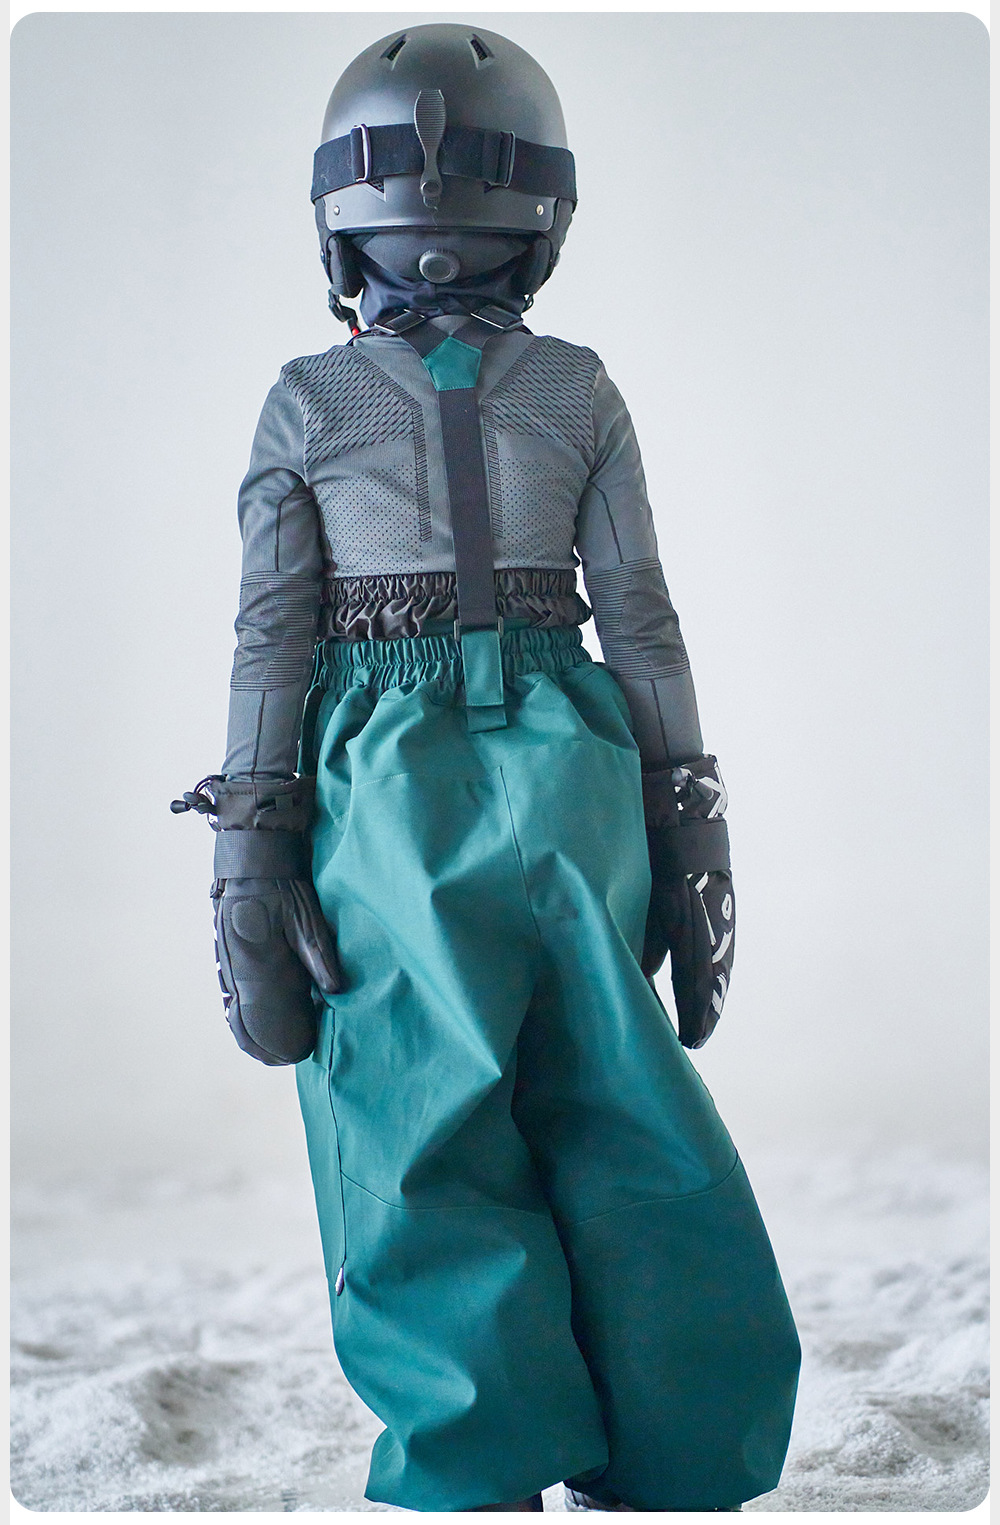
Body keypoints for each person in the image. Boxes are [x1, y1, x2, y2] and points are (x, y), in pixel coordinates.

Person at [174, 23, 800, 1513]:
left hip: (385, 787)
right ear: (544, 216)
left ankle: (479, 1460)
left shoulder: (306, 401)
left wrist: (251, 849)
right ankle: (682, 1448)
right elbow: (639, 619)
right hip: (577, 765)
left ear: (342, 219)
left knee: (414, 1121)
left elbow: (273, 637)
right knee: (621, 1094)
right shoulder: (581, 390)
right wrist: (692, 827)